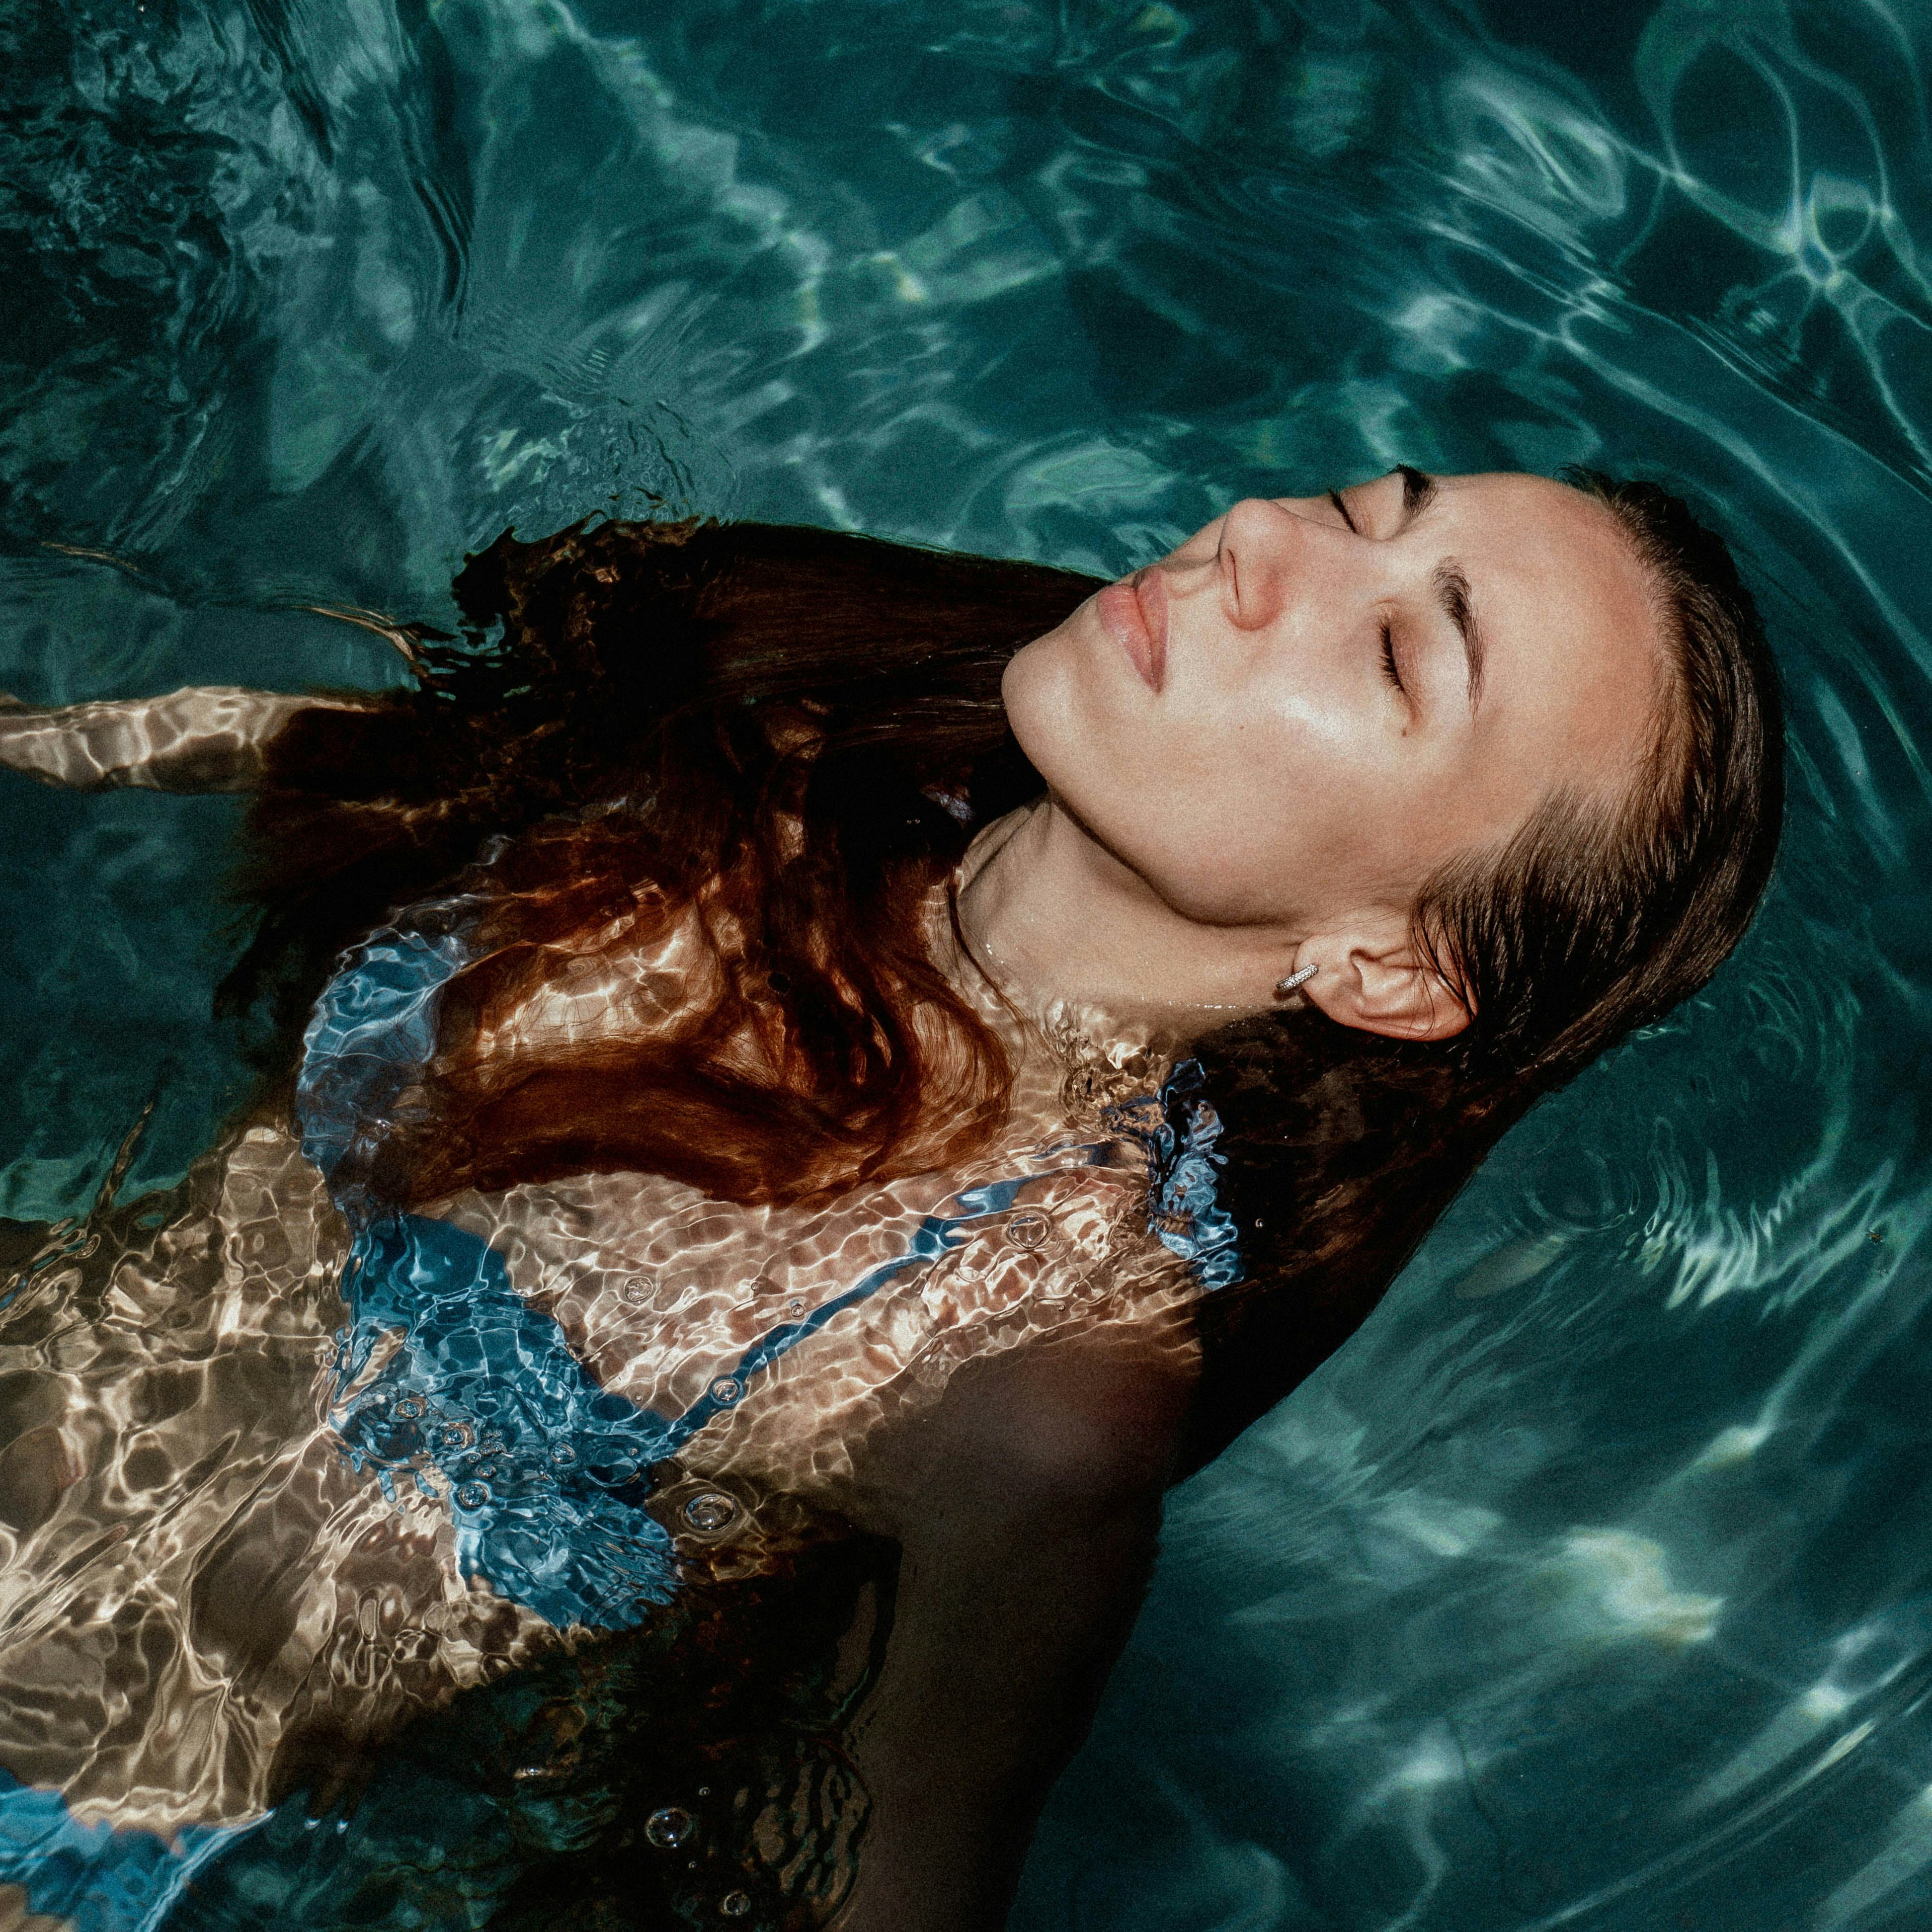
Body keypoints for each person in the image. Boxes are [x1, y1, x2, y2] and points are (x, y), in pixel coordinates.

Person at [0, 465, 1782, 1932]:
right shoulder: (796, 753)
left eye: (1401, 652)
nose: (1266, 537)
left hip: (65, 1769)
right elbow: (340, 743)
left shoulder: (1028, 1387)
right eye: (1360, 502)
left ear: (1390, 966)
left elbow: (890, 1886)